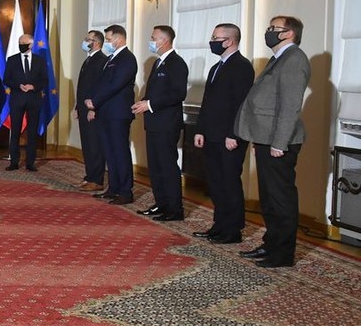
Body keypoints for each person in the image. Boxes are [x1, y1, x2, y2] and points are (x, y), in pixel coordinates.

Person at [234, 15, 311, 268]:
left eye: (274, 28)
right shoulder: (279, 58)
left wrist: (279, 143)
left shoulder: (294, 59)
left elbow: (290, 106)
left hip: (280, 142)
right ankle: (271, 244)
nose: (268, 32)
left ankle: (282, 254)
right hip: (266, 139)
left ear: (289, 33)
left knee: (280, 198)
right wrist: (261, 139)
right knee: (268, 198)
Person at [191, 23, 254, 244]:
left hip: (230, 137)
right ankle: (219, 225)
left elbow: (241, 105)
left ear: (230, 41)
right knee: (216, 183)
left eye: (216, 37)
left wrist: (233, 135)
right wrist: (200, 130)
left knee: (229, 183)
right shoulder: (216, 67)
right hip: (211, 135)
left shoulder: (242, 66)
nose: (212, 40)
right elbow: (207, 103)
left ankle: (232, 230)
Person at [132, 25, 189, 221]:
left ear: (164, 41)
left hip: (167, 124)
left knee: (167, 166)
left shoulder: (177, 63)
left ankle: (174, 209)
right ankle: (161, 203)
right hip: (154, 123)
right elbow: (155, 92)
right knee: (155, 167)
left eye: (153, 37)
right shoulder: (159, 63)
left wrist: (150, 104)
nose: (151, 40)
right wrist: (143, 102)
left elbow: (178, 93)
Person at [86, 24, 137, 205]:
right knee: (109, 152)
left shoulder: (127, 59)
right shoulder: (111, 58)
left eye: (108, 39)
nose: (106, 43)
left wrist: (95, 101)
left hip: (118, 113)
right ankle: (113, 188)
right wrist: (94, 103)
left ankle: (125, 191)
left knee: (120, 151)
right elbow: (102, 83)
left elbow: (115, 84)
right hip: (106, 112)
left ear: (119, 38)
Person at [4, 33, 48, 171]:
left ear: (30, 45)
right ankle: (14, 162)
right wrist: (19, 86)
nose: (21, 45)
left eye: (23, 43)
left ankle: (30, 162)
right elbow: (6, 79)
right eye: (19, 42)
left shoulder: (40, 61)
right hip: (17, 99)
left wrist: (33, 87)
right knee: (15, 131)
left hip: (34, 100)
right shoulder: (12, 60)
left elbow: (45, 80)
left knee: (32, 132)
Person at [74, 30, 108, 190]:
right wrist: (77, 107)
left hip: (92, 109)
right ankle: (89, 176)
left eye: (89, 39)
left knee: (95, 145)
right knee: (87, 144)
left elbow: (99, 87)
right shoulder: (88, 60)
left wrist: (93, 108)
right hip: (83, 108)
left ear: (97, 43)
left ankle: (97, 180)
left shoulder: (101, 60)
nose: (85, 41)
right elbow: (83, 87)